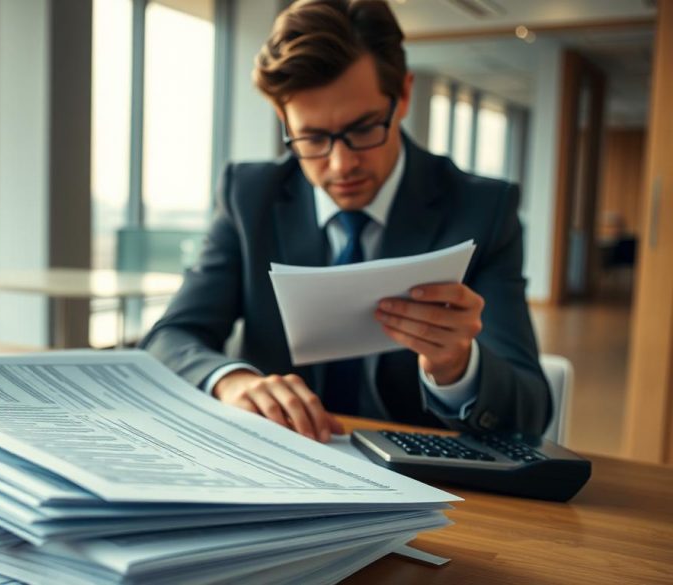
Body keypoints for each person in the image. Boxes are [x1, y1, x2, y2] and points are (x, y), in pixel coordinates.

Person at [140, 0, 551, 442]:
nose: (341, 165)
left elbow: (530, 409)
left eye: (363, 129)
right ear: (284, 118)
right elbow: (170, 337)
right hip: (279, 463)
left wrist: (458, 367)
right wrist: (231, 380)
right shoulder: (248, 195)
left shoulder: (482, 209)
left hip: (424, 479)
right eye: (313, 137)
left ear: (405, 95)